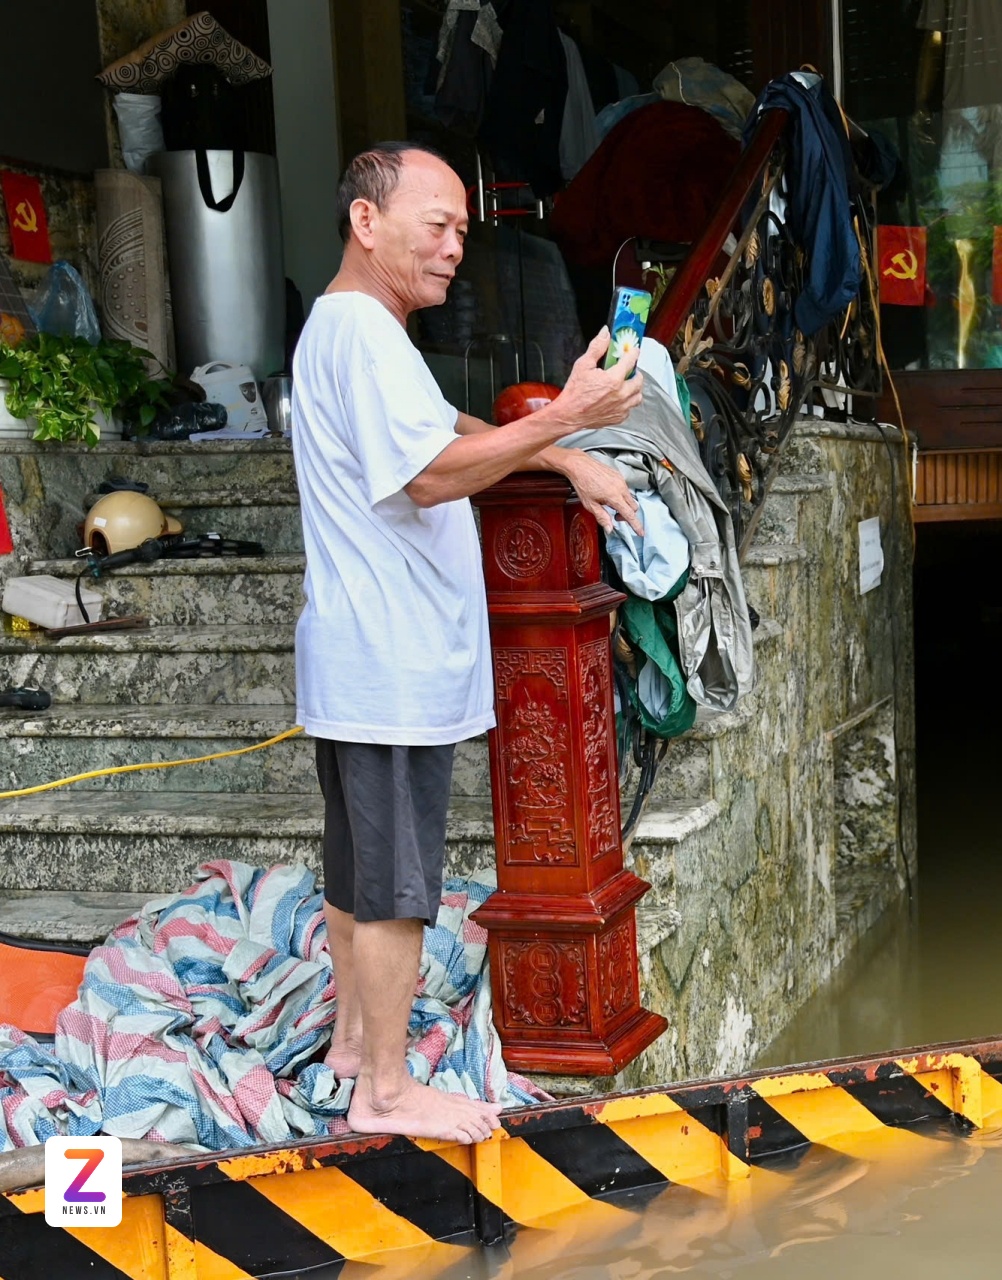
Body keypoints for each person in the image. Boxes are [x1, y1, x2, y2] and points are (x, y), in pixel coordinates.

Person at [292, 141, 646, 1144]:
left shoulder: (351, 328)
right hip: (390, 660)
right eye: (437, 225)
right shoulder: (361, 333)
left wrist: (564, 451)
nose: (457, 248)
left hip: (361, 655)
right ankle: (390, 1090)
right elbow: (430, 473)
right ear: (367, 223)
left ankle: (358, 1046)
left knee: (362, 871)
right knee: (398, 884)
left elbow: (431, 421)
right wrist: (571, 412)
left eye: (461, 228)